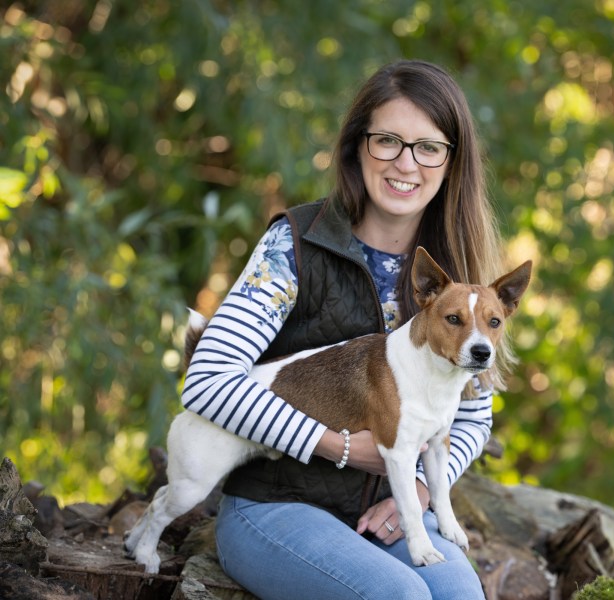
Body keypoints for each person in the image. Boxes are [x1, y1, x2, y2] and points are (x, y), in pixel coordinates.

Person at [181, 60, 512, 599]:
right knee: (398, 597)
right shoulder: (295, 248)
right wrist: (334, 446)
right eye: (388, 141)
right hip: (276, 506)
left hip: (386, 512)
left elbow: (473, 415)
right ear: (358, 146)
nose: (406, 163)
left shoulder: (455, 281)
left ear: (452, 162)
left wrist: (425, 487)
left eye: (428, 147)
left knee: (459, 594)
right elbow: (207, 381)